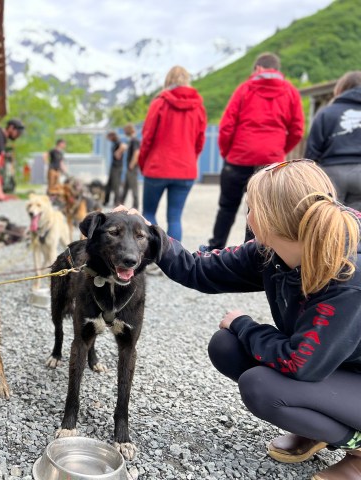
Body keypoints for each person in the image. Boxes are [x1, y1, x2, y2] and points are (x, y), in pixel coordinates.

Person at [118, 160, 361, 480]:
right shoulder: (272, 251)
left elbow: (300, 363)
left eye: (251, 208)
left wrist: (244, 324)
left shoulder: (346, 274)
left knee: (261, 387)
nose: (247, 217)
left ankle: (357, 450)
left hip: (344, 371)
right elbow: (198, 268)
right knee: (227, 346)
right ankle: (318, 426)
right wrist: (147, 233)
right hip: (329, 361)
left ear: (272, 221)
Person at [204, 52, 304, 251]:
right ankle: (253, 254)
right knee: (260, 210)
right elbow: (297, 129)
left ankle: (214, 249)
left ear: (258, 69)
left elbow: (226, 127)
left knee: (227, 207)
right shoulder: (291, 92)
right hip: (271, 162)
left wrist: (228, 153)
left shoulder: (244, 90)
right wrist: (278, 151)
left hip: (239, 159)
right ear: (276, 70)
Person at [138, 65, 206, 242]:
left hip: (157, 167)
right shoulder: (198, 107)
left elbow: (147, 137)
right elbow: (200, 141)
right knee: (175, 218)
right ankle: (174, 264)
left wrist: (143, 162)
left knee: (148, 214)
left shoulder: (159, 103)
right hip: (186, 170)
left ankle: (150, 259)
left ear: (168, 81)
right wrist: (190, 160)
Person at [305, 71, 361, 211]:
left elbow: (312, 150)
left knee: (331, 221)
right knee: (357, 224)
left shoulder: (326, 112)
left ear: (341, 88)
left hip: (332, 174)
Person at [118, 123, 141, 209]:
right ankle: (120, 205)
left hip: (132, 169)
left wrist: (131, 164)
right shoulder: (131, 140)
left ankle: (135, 207)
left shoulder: (135, 140)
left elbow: (136, 153)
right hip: (130, 169)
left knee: (134, 189)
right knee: (125, 188)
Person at [103, 131, 127, 206]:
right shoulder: (114, 142)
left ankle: (117, 202)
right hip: (113, 166)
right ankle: (106, 201)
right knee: (109, 185)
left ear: (112, 136)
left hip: (117, 167)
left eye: (109, 137)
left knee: (116, 185)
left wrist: (118, 152)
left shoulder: (118, 141)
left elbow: (124, 146)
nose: (109, 139)